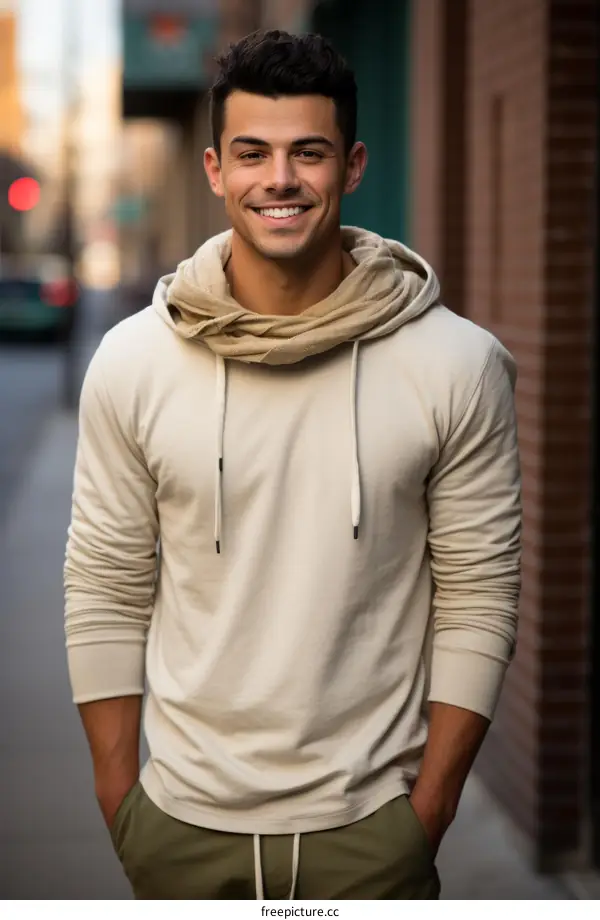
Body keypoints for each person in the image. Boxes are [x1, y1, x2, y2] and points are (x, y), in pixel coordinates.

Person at [64, 29, 521, 901]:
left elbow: (479, 590)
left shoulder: (456, 364)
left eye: (307, 152)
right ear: (213, 169)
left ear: (350, 167)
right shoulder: (133, 364)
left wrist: (427, 814)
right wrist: (123, 802)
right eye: (253, 154)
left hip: (374, 833)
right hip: (181, 829)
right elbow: (106, 584)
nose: (279, 179)